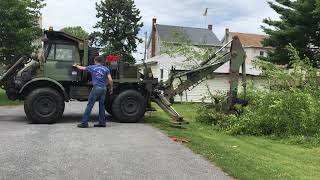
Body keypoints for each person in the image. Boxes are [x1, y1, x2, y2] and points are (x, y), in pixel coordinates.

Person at [73, 56, 113, 128]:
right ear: (101, 61)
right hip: (104, 88)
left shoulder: (92, 67)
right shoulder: (106, 69)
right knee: (102, 106)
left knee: (90, 105)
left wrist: (76, 65)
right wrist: (111, 88)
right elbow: (110, 80)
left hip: (96, 88)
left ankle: (84, 123)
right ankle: (102, 122)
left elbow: (82, 68)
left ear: (95, 61)